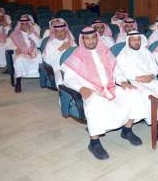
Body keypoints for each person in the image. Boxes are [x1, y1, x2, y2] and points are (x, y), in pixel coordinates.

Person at [61, 27, 147, 160]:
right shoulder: (76, 56)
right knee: (95, 103)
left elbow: (116, 70)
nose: (91, 41)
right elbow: (68, 78)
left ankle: (127, 130)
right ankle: (94, 142)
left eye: (93, 38)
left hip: (110, 87)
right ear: (82, 40)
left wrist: (123, 81)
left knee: (133, 92)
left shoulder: (105, 52)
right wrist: (80, 88)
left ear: (97, 38)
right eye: (87, 38)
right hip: (91, 90)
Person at [116, 30, 158, 140]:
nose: (136, 42)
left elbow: (154, 67)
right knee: (149, 96)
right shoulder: (123, 55)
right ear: (128, 41)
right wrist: (136, 78)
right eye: (133, 40)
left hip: (150, 79)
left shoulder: (146, 52)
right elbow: (121, 72)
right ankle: (154, 124)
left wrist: (152, 76)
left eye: (138, 39)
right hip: (135, 81)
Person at [7, 15, 42, 93]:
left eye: (26, 24)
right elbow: (7, 44)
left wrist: (31, 34)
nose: (25, 26)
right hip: (21, 53)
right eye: (23, 24)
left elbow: (40, 44)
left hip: (33, 52)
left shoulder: (33, 32)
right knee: (19, 60)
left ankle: (41, 79)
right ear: (20, 25)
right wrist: (15, 48)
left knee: (40, 57)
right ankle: (18, 82)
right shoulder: (15, 34)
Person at [42, 20, 76, 87]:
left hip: (72, 67)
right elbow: (47, 60)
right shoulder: (50, 44)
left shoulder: (71, 42)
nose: (59, 34)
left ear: (66, 32)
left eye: (62, 31)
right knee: (61, 81)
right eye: (57, 31)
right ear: (54, 32)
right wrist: (60, 49)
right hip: (58, 69)